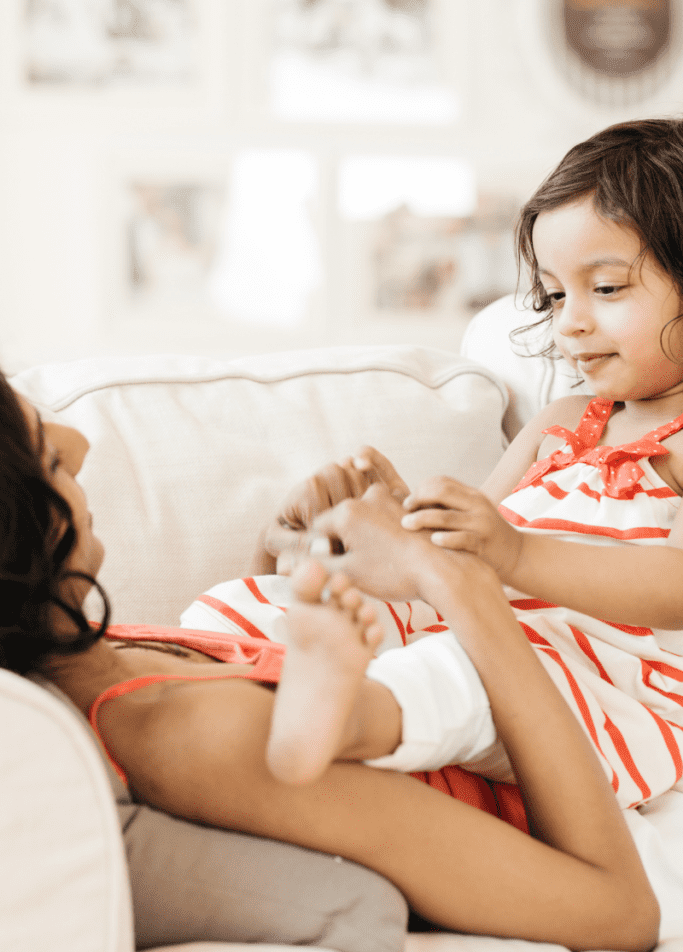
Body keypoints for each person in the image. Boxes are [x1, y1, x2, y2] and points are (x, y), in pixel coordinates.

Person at [0, 374, 658, 951]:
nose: (75, 444)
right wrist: (450, 575)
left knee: (224, 611)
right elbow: (618, 914)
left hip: (352, 706)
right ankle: (352, 700)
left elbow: (246, 668)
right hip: (515, 769)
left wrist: (289, 557)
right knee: (447, 671)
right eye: (43, 453)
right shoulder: (191, 736)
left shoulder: (99, 663)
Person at [202, 118, 683, 812]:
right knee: (255, 602)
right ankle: (233, 678)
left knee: (456, 674)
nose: (567, 322)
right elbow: (466, 553)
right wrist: (399, 527)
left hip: (604, 688)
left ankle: (337, 719)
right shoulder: (560, 425)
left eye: (604, 289)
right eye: (553, 295)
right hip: (477, 631)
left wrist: (514, 554)